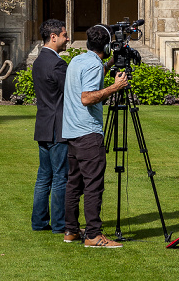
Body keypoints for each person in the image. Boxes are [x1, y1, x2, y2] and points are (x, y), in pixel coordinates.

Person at [61, 24, 129, 248]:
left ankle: (70, 230)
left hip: (72, 132)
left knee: (74, 184)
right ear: (108, 45)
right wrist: (115, 87)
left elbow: (94, 70)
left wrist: (110, 63)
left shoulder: (79, 60)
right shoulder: (92, 65)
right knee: (93, 186)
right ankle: (93, 235)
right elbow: (87, 98)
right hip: (88, 133)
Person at [31, 19, 70, 233]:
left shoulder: (38, 61)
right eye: (64, 35)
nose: (67, 39)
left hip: (44, 126)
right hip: (57, 128)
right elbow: (70, 92)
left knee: (43, 177)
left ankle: (39, 222)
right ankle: (60, 224)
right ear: (53, 37)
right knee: (60, 177)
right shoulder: (57, 63)